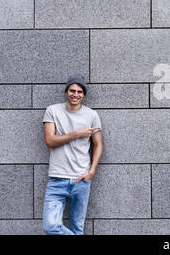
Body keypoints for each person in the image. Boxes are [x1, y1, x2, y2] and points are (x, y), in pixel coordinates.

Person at [42, 74, 102, 235]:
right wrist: (76, 134)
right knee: (50, 226)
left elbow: (98, 144)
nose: (76, 94)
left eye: (80, 92)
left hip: (81, 180)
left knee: (77, 228)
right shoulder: (52, 111)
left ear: (83, 95)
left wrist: (92, 171)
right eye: (72, 90)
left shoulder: (91, 115)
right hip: (57, 179)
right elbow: (50, 140)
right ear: (66, 91)